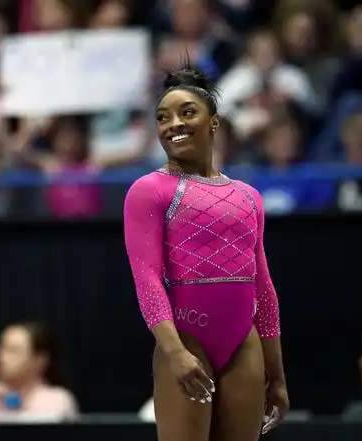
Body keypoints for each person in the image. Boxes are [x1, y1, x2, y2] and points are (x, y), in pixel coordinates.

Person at [123, 62, 289, 441]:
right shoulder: (150, 190)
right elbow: (147, 279)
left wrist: (277, 376)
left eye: (187, 112)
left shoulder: (249, 197)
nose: (173, 124)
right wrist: (174, 351)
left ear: (214, 122)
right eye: (163, 117)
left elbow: (263, 287)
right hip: (185, 337)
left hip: (243, 344)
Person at [0, 321, 79, 423]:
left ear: (40, 361)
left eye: (13, 351)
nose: (0, 357)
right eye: (1, 349)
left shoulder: (57, 400)